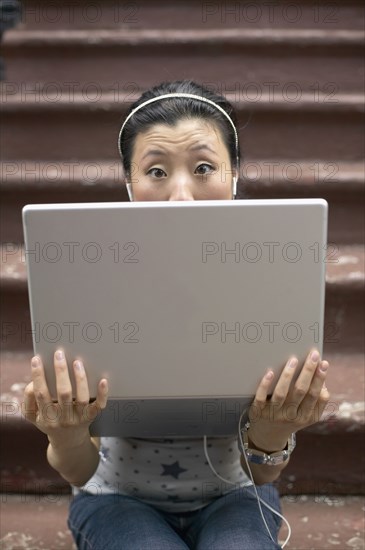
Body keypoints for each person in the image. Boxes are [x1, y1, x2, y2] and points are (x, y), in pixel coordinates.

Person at [22, 80, 330, 549]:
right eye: (157, 172)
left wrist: (275, 429)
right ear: (128, 181)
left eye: (204, 167)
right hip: (115, 498)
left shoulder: (272, 273)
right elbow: (81, 470)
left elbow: (265, 470)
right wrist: (65, 433)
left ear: (235, 175)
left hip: (236, 495)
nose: (181, 195)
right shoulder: (88, 272)